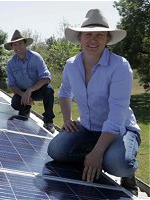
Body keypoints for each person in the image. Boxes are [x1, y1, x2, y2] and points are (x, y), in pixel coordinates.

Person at [47, 9, 141, 195]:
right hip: (88, 127)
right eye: (88, 34)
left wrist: (98, 152)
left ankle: (126, 172)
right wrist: (67, 119)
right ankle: (95, 154)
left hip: (119, 130)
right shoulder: (71, 65)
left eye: (100, 35)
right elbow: (65, 92)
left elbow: (116, 114)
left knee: (119, 165)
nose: (93, 39)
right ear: (80, 38)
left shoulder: (120, 66)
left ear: (107, 39)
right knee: (56, 151)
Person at [4, 30, 55, 133]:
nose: (18, 47)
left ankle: (48, 121)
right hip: (22, 91)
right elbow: (12, 85)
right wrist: (23, 94)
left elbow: (46, 78)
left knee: (49, 90)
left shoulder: (36, 58)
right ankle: (25, 110)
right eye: (15, 44)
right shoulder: (10, 64)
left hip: (38, 89)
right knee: (15, 103)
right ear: (12, 47)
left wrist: (30, 90)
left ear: (25, 44)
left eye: (20, 43)